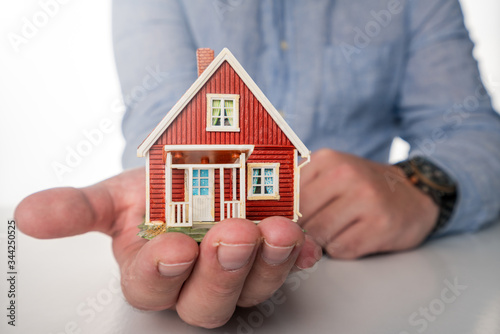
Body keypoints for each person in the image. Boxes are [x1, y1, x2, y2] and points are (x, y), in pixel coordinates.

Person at [15, 0, 500, 329]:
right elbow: (167, 121)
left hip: (371, 281)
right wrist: (164, 190)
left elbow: (477, 132)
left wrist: (420, 187)